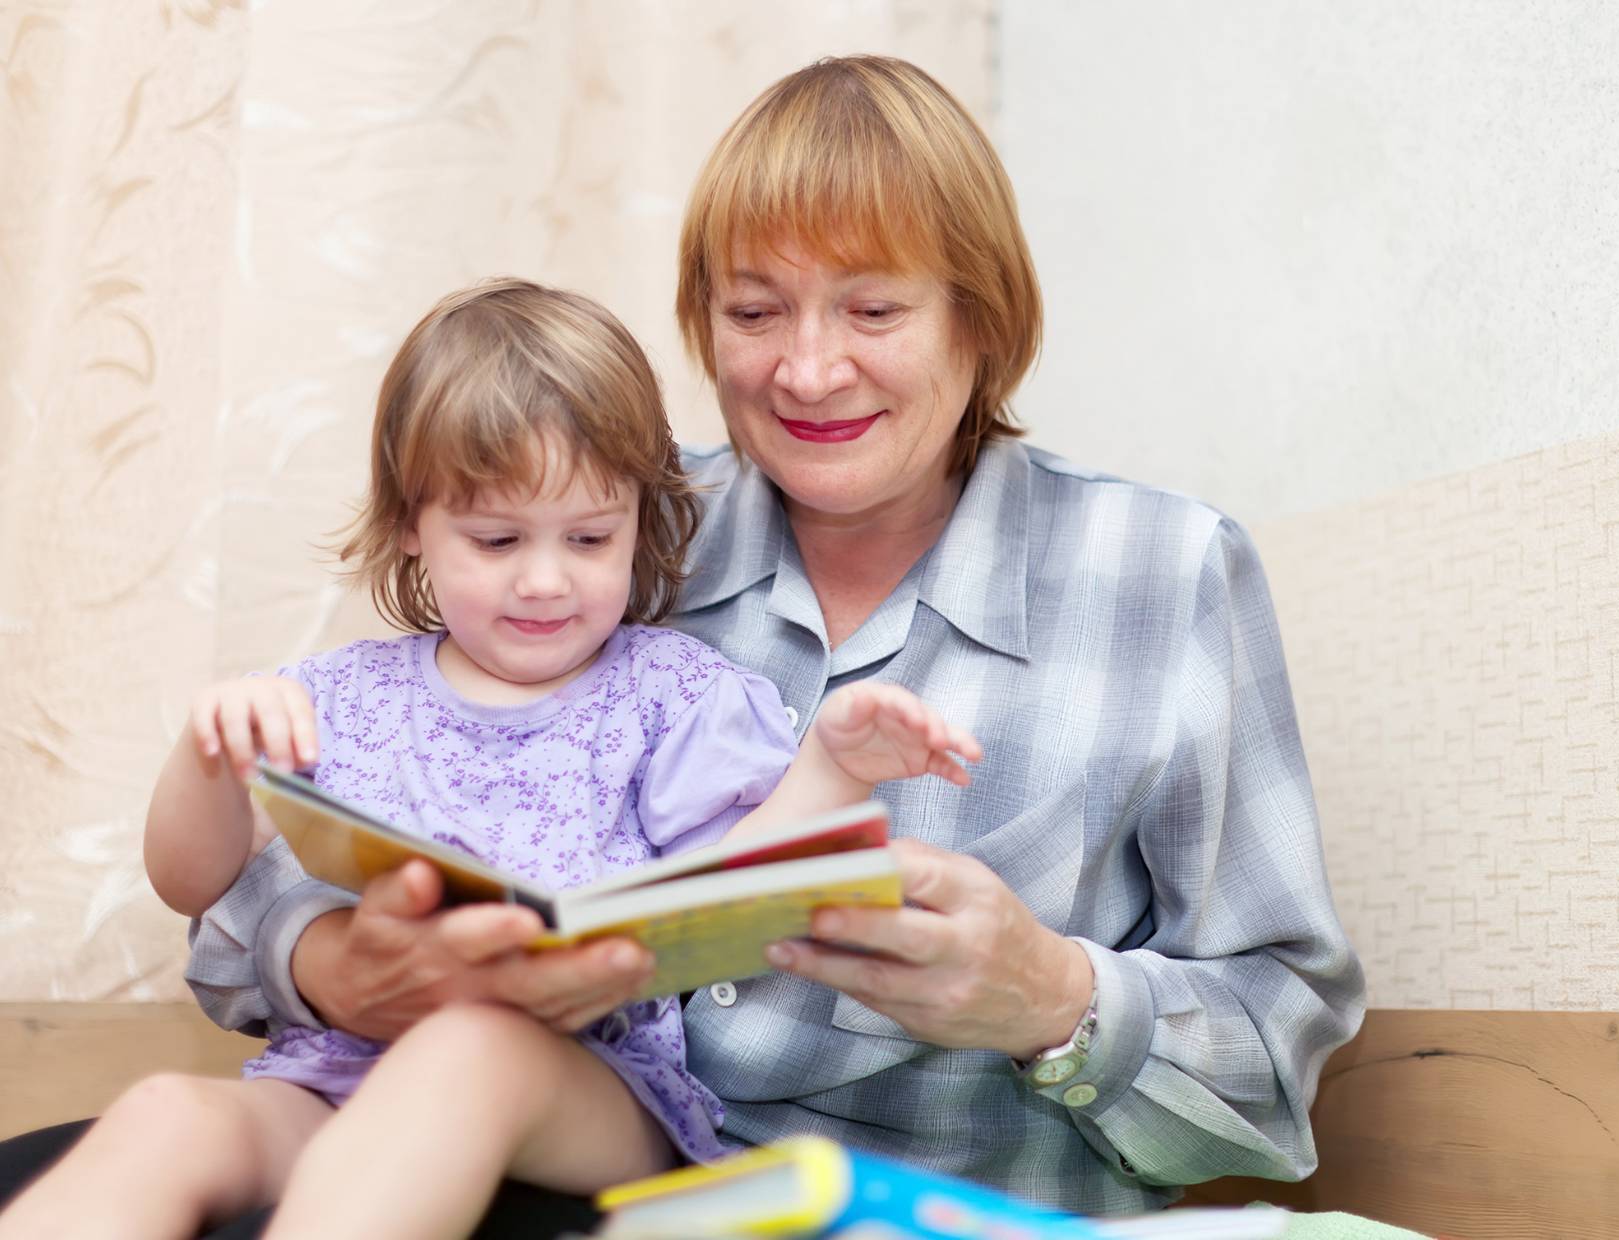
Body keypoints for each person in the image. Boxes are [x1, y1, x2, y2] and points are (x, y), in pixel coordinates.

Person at [0, 55, 1365, 1234]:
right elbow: (286, 861)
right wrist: (326, 960)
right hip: (506, 1176)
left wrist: (1049, 997)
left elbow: (1275, 1073)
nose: (806, 370)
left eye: (872, 311)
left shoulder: (1160, 572)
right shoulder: (606, 513)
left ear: (979, 318)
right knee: (92, 1153)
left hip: (873, 1202)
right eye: (753, 311)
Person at [0, 278, 980, 1240]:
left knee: (467, 1050)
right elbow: (186, 880)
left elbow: (735, 882)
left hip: (585, 1092)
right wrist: (209, 754)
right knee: (166, 1113)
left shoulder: (668, 694)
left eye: (591, 537)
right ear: (410, 530)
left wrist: (834, 767)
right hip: (341, 1075)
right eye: (497, 538)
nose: (547, 579)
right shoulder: (335, 699)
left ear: (641, 518)